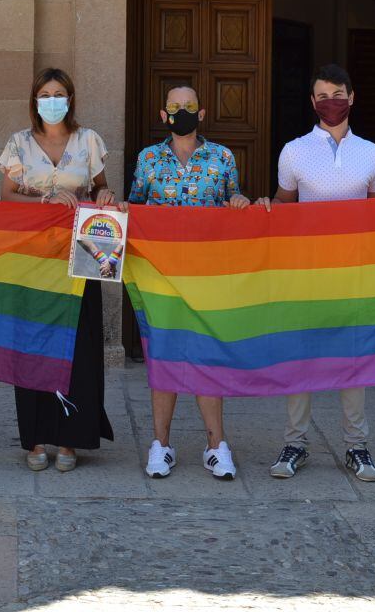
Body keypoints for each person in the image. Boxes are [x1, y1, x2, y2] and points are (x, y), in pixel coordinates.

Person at [256, 63, 375, 483]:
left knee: (354, 355)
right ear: (312, 102)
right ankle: (295, 443)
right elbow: (283, 204)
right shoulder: (294, 151)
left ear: (352, 97)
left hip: (355, 272)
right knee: (300, 354)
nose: (331, 102)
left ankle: (356, 446)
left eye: (338, 93)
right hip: (306, 270)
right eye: (323, 95)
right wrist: (266, 209)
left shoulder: (371, 152)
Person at [128, 86, 250, 481]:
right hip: (159, 275)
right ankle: (160, 445)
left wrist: (240, 203)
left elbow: (235, 203)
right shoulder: (148, 159)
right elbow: (135, 209)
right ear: (164, 114)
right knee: (164, 354)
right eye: (175, 106)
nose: (182, 111)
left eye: (189, 107)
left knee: (205, 353)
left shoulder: (223, 157)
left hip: (207, 274)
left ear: (202, 114)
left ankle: (216, 447)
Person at [0, 67, 117, 472]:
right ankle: (35, 438)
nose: (52, 100)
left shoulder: (89, 141)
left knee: (78, 345)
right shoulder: (17, 143)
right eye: (45, 93)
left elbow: (101, 186)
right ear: (35, 100)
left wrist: (103, 193)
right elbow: (7, 198)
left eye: (59, 93)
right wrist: (44, 205)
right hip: (31, 257)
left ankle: (71, 438)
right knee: (32, 343)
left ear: (70, 99)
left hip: (81, 255)